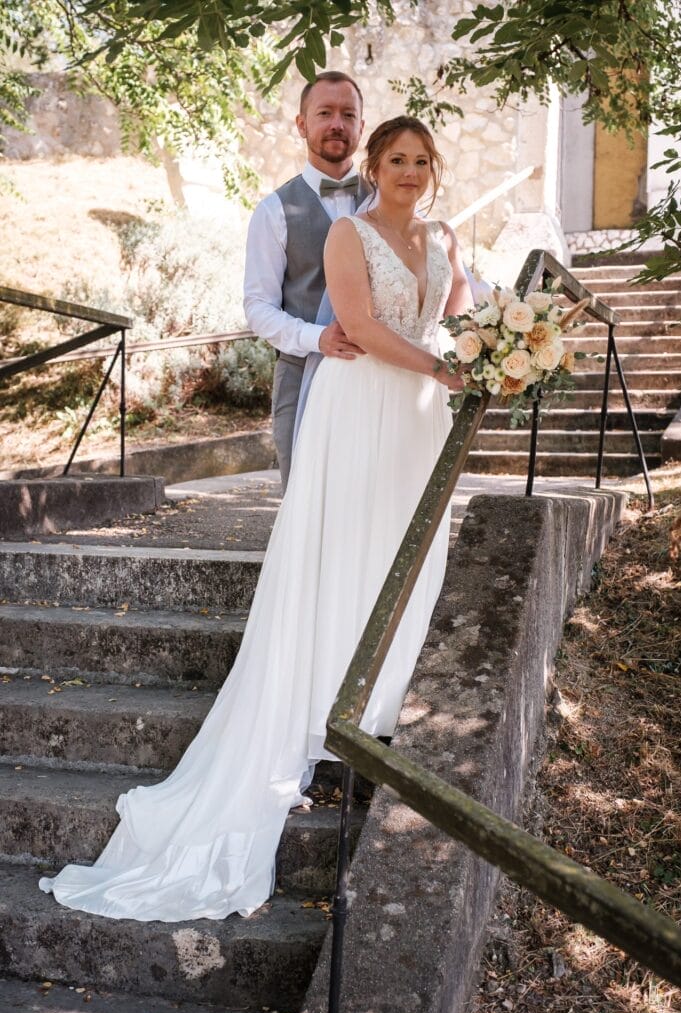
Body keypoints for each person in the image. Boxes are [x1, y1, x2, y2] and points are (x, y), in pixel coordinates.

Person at [39, 116, 472, 923]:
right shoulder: (348, 233)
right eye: (396, 160)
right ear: (374, 168)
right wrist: (449, 368)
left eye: (421, 160)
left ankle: (379, 700)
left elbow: (453, 309)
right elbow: (368, 329)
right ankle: (321, 706)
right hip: (363, 405)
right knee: (344, 547)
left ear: (432, 168)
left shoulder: (443, 234)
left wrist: (494, 349)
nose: (409, 172)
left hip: (421, 415)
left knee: (405, 551)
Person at [243, 71, 370, 489]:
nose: (337, 123)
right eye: (325, 113)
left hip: (377, 381)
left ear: (361, 127)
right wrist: (317, 339)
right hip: (302, 380)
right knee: (304, 503)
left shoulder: (384, 201)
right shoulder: (274, 210)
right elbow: (258, 307)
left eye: (348, 114)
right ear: (302, 124)